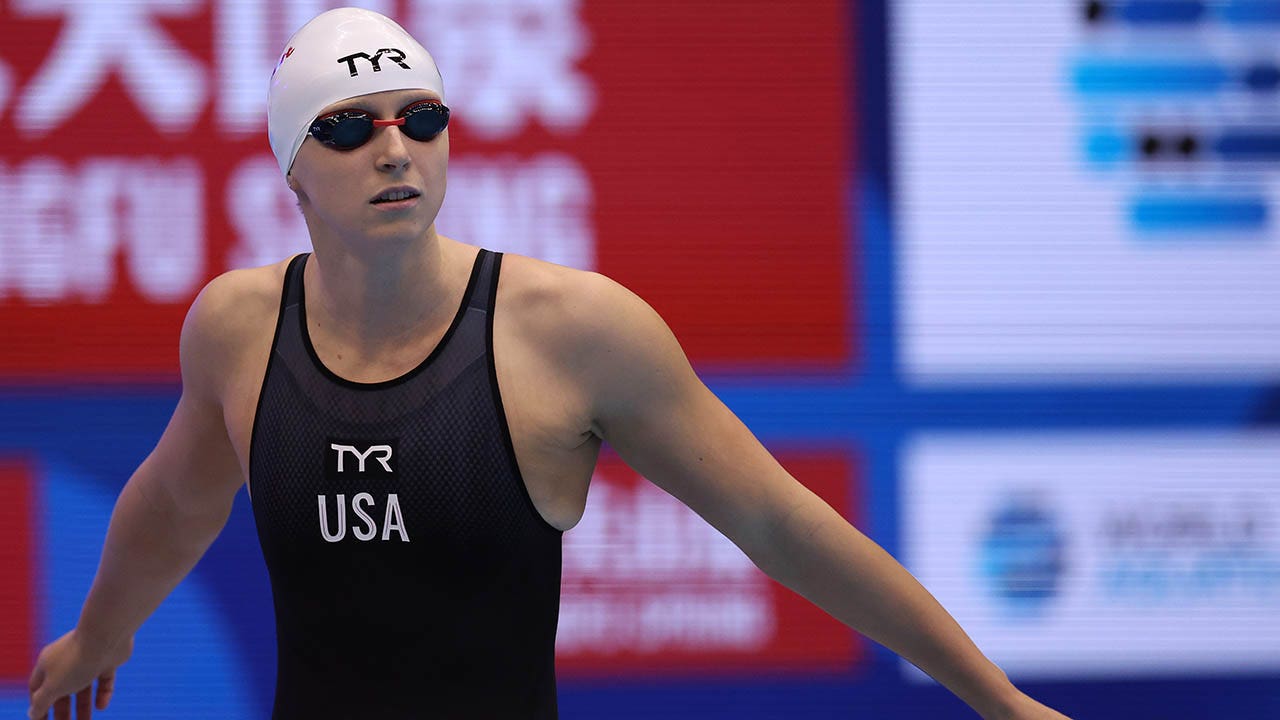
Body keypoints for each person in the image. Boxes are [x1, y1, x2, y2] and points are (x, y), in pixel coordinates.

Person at [27, 7, 1071, 720]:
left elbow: (778, 522)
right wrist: (98, 635)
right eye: (348, 130)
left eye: (419, 120)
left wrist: (993, 697)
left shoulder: (568, 330)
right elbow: (174, 501)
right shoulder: (239, 329)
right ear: (290, 167)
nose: (394, 150)